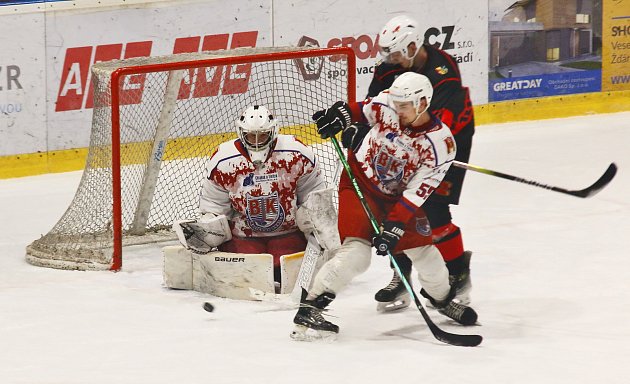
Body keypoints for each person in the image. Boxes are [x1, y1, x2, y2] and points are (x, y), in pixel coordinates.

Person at [290, 72, 478, 340]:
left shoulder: (440, 145)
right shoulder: (389, 102)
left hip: (397, 199)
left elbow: (418, 191)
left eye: (404, 106)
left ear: (423, 103)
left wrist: (395, 226)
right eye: (397, 103)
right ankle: (310, 307)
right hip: (359, 182)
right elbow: (360, 110)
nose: (397, 109)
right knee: (356, 254)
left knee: (427, 257)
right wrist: (341, 115)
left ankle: (442, 300)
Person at [369, 15, 476, 310]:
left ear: (414, 46)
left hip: (447, 141)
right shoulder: (388, 68)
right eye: (388, 54)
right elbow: (373, 105)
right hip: (403, 141)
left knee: (434, 209)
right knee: (393, 205)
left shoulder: (444, 71)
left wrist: (426, 159)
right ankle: (400, 275)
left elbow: (441, 127)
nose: (391, 59)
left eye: (396, 53)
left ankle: (458, 275)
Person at [178, 105, 326, 283]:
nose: (256, 141)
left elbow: (313, 198)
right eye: (251, 135)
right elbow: (215, 206)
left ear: (273, 132)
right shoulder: (223, 160)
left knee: (283, 272)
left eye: (262, 135)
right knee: (249, 275)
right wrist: (209, 228)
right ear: (241, 133)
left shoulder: (297, 154)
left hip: (288, 235)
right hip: (244, 237)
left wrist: (318, 229)